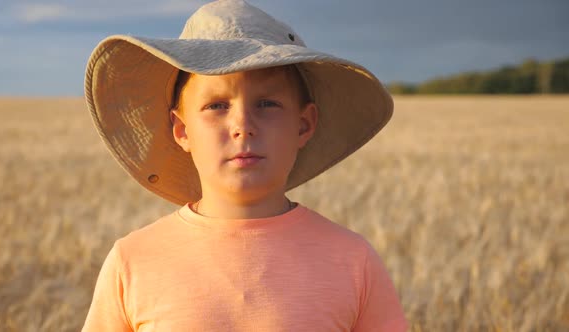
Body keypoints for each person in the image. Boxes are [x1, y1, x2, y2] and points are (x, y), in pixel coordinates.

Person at [82, 0, 407, 331]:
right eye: (217, 105)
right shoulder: (133, 260)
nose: (242, 125)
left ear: (303, 125)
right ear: (182, 131)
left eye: (267, 103)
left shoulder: (353, 261)